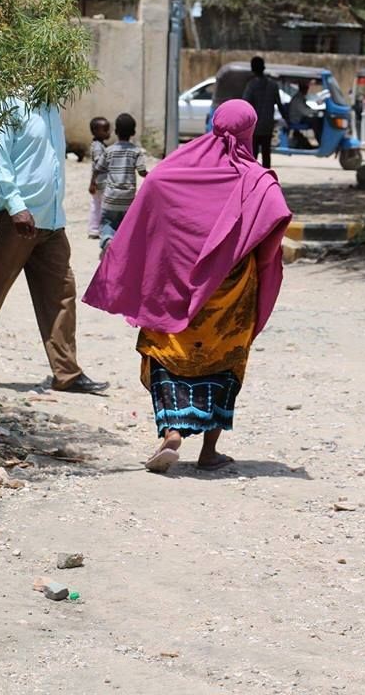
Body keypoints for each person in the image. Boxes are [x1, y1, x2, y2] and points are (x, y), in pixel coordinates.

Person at [83, 100, 292, 473]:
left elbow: (154, 192)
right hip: (232, 294)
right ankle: (209, 451)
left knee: (169, 354)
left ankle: (172, 433)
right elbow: (275, 216)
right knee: (225, 360)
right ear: (249, 131)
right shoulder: (257, 180)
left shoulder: (177, 169)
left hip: (176, 290)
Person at [0, 98, 109, 394]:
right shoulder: (9, 104)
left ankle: (66, 373)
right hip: (16, 219)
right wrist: (14, 206)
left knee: (62, 293)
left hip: (51, 221)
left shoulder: (52, 108)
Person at [96, 112, 147, 252]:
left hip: (111, 198)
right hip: (128, 199)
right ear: (133, 132)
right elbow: (142, 171)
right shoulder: (136, 152)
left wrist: (94, 183)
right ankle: (123, 248)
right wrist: (151, 176)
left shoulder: (109, 151)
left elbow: (98, 168)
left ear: (116, 131)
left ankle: (107, 241)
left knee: (108, 222)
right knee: (125, 224)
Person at [242, 56, 289, 168]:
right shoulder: (273, 85)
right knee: (266, 154)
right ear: (263, 68)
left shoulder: (251, 85)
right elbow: (280, 105)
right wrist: (287, 120)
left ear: (252, 69)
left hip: (254, 126)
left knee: (252, 155)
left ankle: (252, 178)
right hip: (267, 125)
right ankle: (266, 179)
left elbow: (244, 105)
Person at [87, 115, 110, 239]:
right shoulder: (97, 146)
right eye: (105, 129)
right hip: (100, 181)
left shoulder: (100, 145)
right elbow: (98, 165)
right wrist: (92, 182)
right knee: (99, 205)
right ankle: (96, 229)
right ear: (95, 131)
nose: (108, 132)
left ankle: (94, 229)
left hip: (98, 181)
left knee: (96, 204)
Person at [289, 79, 324, 146]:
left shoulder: (301, 97)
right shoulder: (298, 99)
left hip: (300, 117)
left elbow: (307, 108)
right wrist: (316, 111)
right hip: (297, 119)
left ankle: (321, 140)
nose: (307, 90)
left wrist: (316, 110)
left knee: (318, 120)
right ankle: (320, 141)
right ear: (303, 89)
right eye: (306, 89)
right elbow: (305, 112)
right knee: (316, 121)